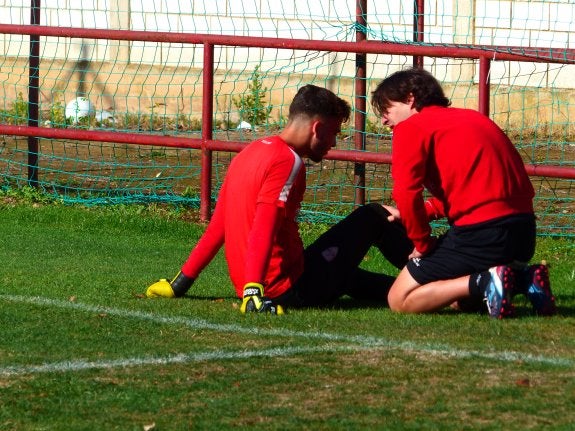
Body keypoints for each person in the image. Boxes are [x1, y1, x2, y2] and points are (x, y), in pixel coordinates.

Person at [146, 84, 412, 313]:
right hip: (286, 288)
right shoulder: (288, 161)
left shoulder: (248, 152)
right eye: (334, 133)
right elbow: (265, 225)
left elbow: (218, 227)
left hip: (276, 281)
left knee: (350, 277)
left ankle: (425, 291)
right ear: (317, 128)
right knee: (372, 216)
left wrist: (180, 282)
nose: (333, 143)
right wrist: (254, 290)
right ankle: (430, 269)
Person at [370, 67, 556, 318]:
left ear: (410, 99)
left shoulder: (412, 127)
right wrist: (425, 211)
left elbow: (406, 191)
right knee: (458, 301)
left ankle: (487, 280)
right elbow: (477, 189)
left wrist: (422, 244)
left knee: (400, 299)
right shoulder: (474, 118)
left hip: (481, 235)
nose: (384, 119)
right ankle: (525, 279)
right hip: (523, 235)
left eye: (386, 109)